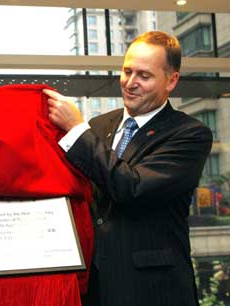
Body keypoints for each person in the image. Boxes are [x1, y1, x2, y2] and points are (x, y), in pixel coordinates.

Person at [43, 31, 213, 306]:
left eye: (144, 76)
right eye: (127, 71)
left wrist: (76, 130)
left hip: (154, 291)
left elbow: (131, 187)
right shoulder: (98, 127)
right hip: (93, 287)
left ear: (172, 80)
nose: (130, 83)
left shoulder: (190, 134)